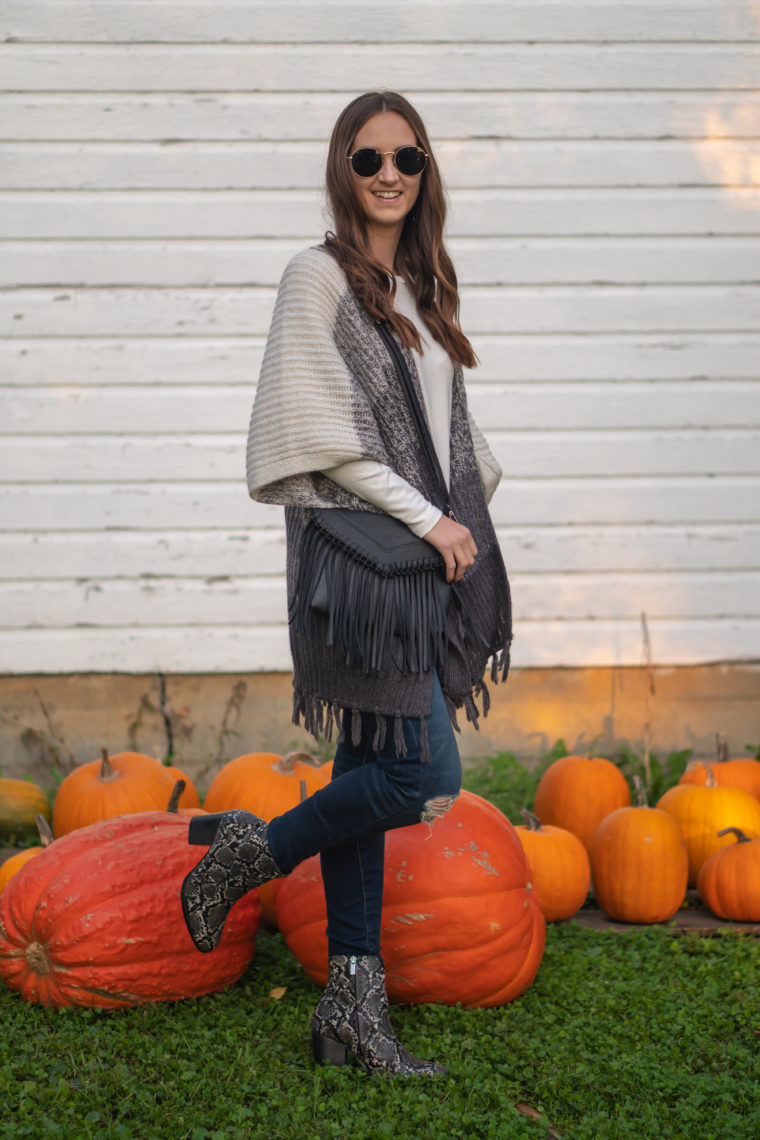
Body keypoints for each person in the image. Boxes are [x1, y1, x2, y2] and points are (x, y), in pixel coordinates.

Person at [181, 91, 512, 1077]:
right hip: (362, 579)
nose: (388, 175)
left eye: (406, 157)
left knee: (369, 774)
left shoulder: (420, 289)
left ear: (424, 171)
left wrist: (462, 517)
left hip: (422, 568)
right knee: (425, 777)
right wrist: (431, 521)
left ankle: (351, 1012)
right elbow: (320, 438)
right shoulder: (315, 278)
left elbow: (447, 435)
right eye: (367, 158)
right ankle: (254, 852)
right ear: (343, 170)